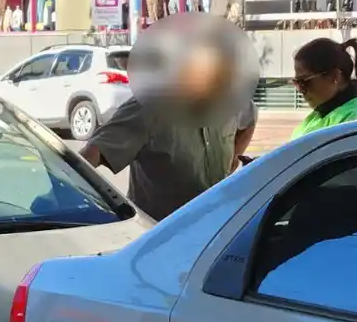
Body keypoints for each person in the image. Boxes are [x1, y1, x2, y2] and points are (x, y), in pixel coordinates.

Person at [80, 39, 256, 221]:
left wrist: (232, 162)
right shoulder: (148, 108)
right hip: (159, 232)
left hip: (214, 227)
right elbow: (91, 154)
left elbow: (249, 119)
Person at [290, 37, 357, 138]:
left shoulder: (355, 118)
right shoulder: (319, 115)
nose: (300, 90)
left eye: (304, 82)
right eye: (297, 83)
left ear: (334, 76)